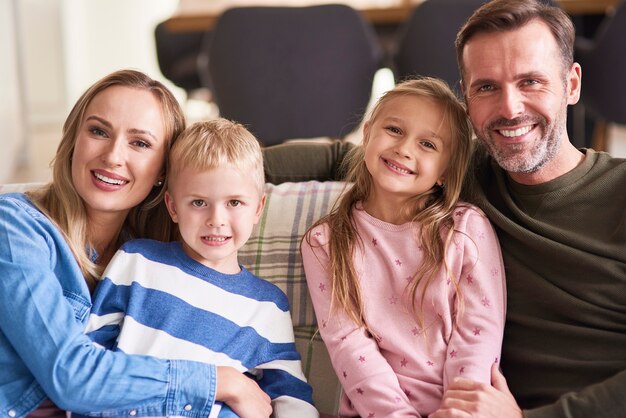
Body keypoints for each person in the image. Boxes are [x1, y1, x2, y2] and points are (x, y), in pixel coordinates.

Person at [265, 0, 626, 416]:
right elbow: (337, 157)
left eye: (531, 82)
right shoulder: (457, 171)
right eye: (486, 87)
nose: (510, 108)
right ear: (467, 100)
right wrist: (204, 163)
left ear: (572, 84)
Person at [0, 69, 270, 418]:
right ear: (73, 141)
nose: (113, 156)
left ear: (164, 171)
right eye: (98, 131)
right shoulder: (16, 227)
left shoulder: (148, 257)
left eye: (140, 143)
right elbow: (71, 378)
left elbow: (231, 170)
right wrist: (220, 382)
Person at [76, 119, 318, 418]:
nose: (216, 219)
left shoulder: (268, 305)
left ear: (258, 208)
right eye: (199, 202)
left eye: (234, 202)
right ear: (173, 207)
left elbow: (291, 396)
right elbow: (91, 357)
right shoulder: (138, 261)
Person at [300, 77, 507, 417]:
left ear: (445, 171)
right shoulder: (325, 242)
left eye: (428, 144)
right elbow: (349, 346)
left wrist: (458, 411)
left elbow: (478, 334)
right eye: (394, 130)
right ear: (367, 133)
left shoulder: (465, 230)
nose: (405, 148)